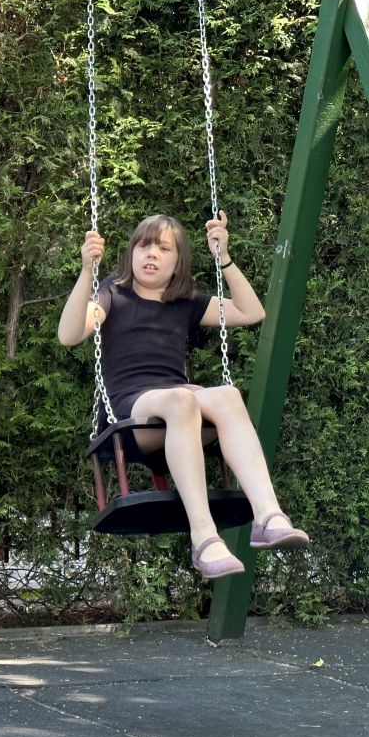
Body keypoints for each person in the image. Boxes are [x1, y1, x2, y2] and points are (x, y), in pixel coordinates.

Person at [57, 212, 308, 579]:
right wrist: (86, 272)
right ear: (131, 252)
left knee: (227, 396)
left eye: (164, 248)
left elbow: (252, 312)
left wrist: (224, 257)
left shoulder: (185, 302)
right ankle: (204, 537)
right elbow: (68, 335)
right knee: (181, 399)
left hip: (180, 411)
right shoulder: (113, 293)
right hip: (130, 415)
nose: (151, 254)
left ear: (178, 262)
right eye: (144, 245)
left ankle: (268, 515)